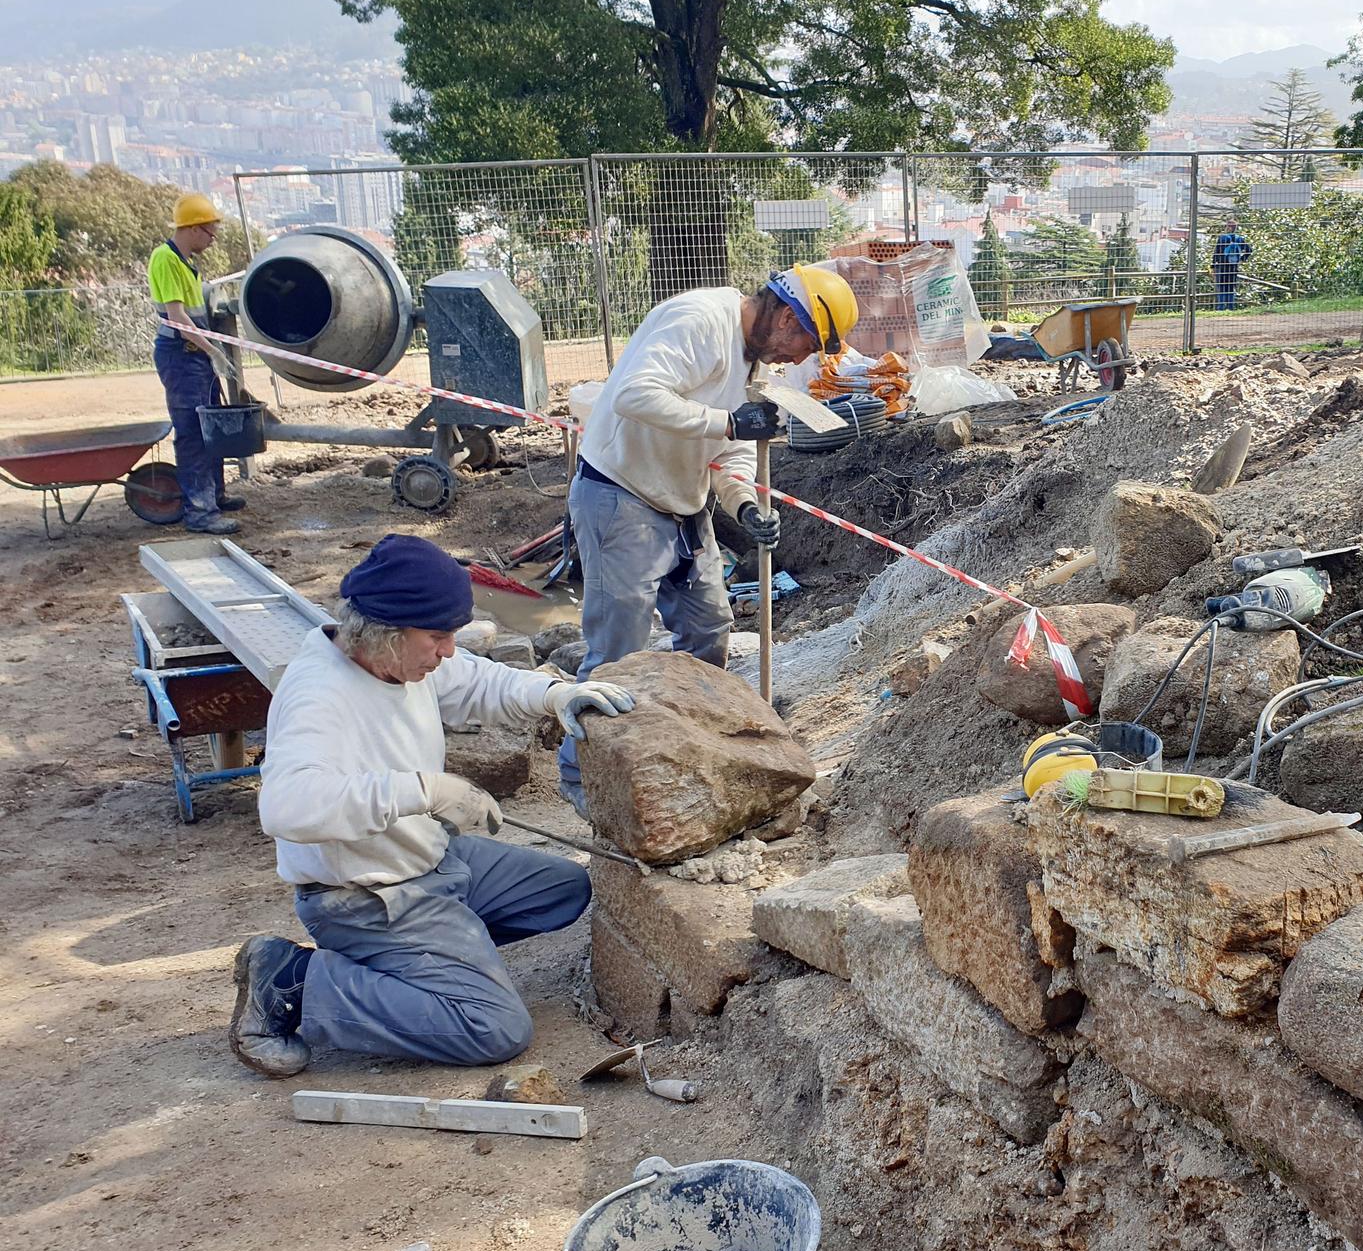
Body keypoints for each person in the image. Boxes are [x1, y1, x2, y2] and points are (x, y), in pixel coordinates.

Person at [229, 534, 636, 1077]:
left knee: (564, 890)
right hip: (366, 894)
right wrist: (428, 791)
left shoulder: (395, 658)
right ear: (386, 633)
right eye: (438, 636)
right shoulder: (319, 695)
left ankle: (418, 965)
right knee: (494, 1029)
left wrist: (554, 694)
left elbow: (476, 679)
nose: (448, 650)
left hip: (433, 860)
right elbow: (286, 807)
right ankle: (295, 981)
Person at [556, 264, 859, 809]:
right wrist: (728, 421)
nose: (799, 360)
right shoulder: (698, 319)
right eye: (805, 345)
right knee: (616, 650)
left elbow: (734, 451)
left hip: (685, 502)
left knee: (708, 629)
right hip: (621, 493)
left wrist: (744, 505)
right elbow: (633, 394)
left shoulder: (754, 359)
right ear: (786, 316)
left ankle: (690, 746)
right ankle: (584, 778)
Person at [149, 192, 241, 535]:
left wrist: (209, 350)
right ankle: (200, 512)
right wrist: (214, 350)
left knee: (210, 429)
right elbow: (177, 318)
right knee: (193, 433)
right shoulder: (166, 259)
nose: (212, 241)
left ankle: (214, 495)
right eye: (210, 234)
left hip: (196, 355)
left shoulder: (187, 261)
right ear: (193, 229)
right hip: (182, 356)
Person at [1211, 219, 1252, 311]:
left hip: (1222, 266)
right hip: (1233, 267)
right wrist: (1241, 259)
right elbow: (1249, 250)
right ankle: (1230, 307)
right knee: (1230, 287)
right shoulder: (1239, 239)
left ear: (1228, 227)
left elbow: (1216, 253)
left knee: (1221, 287)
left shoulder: (1222, 238)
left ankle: (1221, 307)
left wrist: (1213, 266)